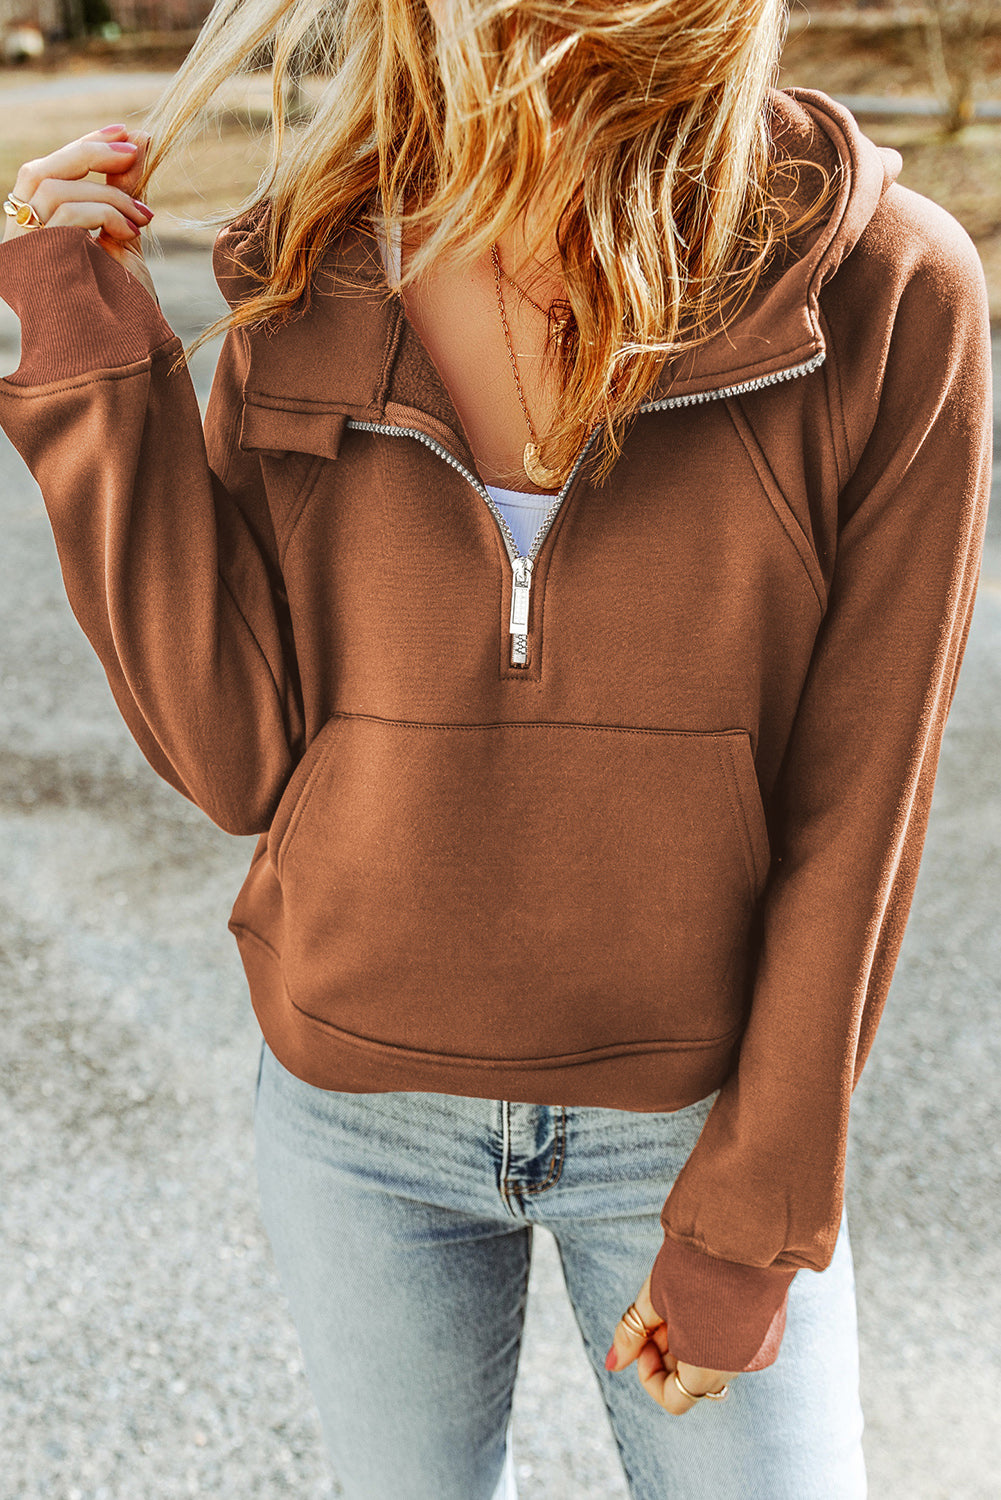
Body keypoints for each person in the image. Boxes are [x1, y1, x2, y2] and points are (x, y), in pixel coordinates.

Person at [0, 0, 991, 1494]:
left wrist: (751, 1224)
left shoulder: (881, 287)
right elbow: (234, 754)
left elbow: (859, 815)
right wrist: (89, 354)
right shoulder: (311, 261)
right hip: (354, 1122)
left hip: (686, 1122)